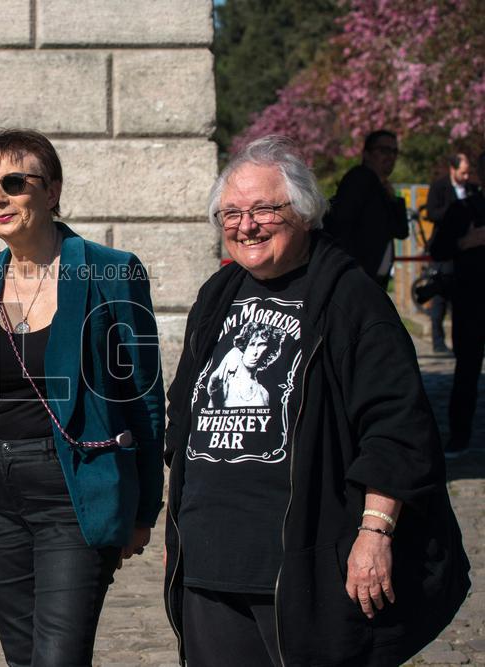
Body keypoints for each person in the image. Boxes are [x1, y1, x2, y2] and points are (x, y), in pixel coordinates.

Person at [164, 136, 469, 666]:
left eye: (263, 209)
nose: (246, 225)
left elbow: (396, 427)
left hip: (303, 570)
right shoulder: (218, 294)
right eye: (231, 213)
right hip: (209, 562)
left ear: (303, 212)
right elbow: (183, 407)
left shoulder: (350, 298)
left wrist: (375, 532)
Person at [0, 129, 164, 666]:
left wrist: (144, 507)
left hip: (75, 489)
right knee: (24, 659)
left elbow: (146, 396)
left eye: (14, 183)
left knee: (58, 659)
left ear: (53, 190)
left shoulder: (111, 271)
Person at [430, 151, 485, 458]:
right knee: (466, 371)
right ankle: (459, 435)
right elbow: (437, 248)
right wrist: (466, 242)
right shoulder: (465, 208)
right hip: (472, 301)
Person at [326, 129, 410, 289]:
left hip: (374, 279)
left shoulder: (382, 188)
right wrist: (351, 267)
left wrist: (394, 198)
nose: (390, 156)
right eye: (384, 150)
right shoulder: (359, 179)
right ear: (366, 154)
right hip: (356, 277)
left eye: (394, 151)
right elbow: (342, 224)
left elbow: (401, 231)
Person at [425, 153, 472, 353]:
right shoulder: (440, 186)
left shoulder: (471, 189)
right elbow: (432, 213)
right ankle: (438, 341)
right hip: (444, 249)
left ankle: (461, 342)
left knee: (460, 299)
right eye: (463, 172)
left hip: (466, 249)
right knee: (440, 296)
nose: (467, 177)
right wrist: (454, 210)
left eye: (469, 172)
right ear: (453, 170)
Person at [206, 321, 286, 408]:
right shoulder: (225, 383)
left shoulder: (263, 393)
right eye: (251, 344)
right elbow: (214, 385)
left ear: (268, 350)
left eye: (261, 345)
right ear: (244, 346)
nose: (255, 352)